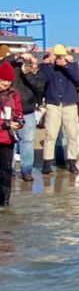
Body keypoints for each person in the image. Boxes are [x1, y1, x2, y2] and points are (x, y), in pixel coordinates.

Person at [40, 44, 79, 175]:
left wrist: (65, 65)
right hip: (53, 103)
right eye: (56, 55)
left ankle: (72, 161)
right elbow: (45, 80)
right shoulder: (46, 67)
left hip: (69, 103)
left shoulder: (73, 66)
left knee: (72, 134)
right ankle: (47, 162)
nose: (59, 58)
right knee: (50, 134)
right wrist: (50, 63)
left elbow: (77, 79)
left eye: (61, 55)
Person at [2, 53, 44, 181]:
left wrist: (28, 74)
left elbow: (39, 87)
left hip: (28, 111)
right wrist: (19, 55)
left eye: (33, 63)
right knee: (10, 142)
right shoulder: (14, 68)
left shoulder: (38, 74)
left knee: (27, 142)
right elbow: (3, 63)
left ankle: (26, 171)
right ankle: (10, 170)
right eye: (29, 62)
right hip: (10, 110)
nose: (30, 65)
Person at [0, 62, 25, 207]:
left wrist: (18, 122)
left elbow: (19, 113)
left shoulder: (13, 94)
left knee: (6, 171)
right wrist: (3, 123)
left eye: (8, 81)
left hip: (7, 138)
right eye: (3, 80)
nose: (6, 83)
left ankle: (5, 202)